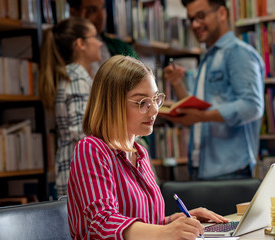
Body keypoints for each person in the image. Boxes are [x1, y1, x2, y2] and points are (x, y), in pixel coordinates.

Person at [67, 55, 228, 240]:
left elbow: (148, 224)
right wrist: (166, 232)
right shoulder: (91, 149)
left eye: (155, 99)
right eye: (143, 103)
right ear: (113, 104)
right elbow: (103, 224)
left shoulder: (140, 153)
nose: (154, 111)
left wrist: (177, 222)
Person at [163, 0, 265, 180]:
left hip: (230, 171)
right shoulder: (207, 58)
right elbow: (197, 111)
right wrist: (177, 84)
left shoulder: (238, 53)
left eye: (201, 16)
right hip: (200, 168)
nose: (195, 24)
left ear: (222, 13)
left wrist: (202, 116)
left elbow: (252, 106)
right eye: (191, 19)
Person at [38, 17, 103, 197]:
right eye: (94, 37)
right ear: (80, 44)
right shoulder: (76, 78)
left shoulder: (77, 76)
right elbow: (82, 132)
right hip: (83, 174)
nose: (99, 43)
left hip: (79, 171)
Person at [67, 0, 138, 75]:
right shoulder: (65, 51)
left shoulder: (122, 47)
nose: (101, 16)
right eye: (92, 10)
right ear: (73, 13)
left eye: (103, 7)